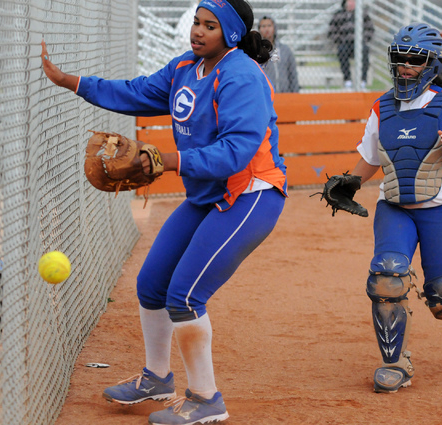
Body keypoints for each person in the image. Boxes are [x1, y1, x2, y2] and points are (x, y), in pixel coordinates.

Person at [41, 1, 287, 424]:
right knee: (152, 284)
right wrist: (70, 82)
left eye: (210, 26)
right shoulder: (184, 69)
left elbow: (235, 152)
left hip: (251, 193)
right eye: (196, 22)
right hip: (209, 193)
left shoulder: (241, 75)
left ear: (230, 35)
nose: (198, 31)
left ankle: (206, 399)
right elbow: (134, 92)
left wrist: (168, 160)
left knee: (186, 295)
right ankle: (157, 378)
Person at [347, 23, 442, 393]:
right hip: (394, 205)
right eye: (400, 59)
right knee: (386, 278)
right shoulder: (382, 106)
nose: (406, 66)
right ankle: (395, 363)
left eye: (415, 60)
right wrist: (349, 183)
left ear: (433, 64)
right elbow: (370, 158)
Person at [327, 0, 374, 89]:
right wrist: (340, 40)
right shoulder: (339, 15)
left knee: (365, 50)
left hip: (359, 43)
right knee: (341, 51)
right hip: (345, 43)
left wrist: (364, 39)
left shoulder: (362, 14)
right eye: (350, 1)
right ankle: (347, 80)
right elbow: (332, 31)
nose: (352, 3)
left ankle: (362, 80)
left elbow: (370, 29)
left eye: (354, 1)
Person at [258, 16, 299, 93]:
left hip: (284, 95)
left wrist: (295, 94)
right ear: (259, 29)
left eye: (269, 26)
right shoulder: (256, 52)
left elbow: (293, 75)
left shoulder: (285, 50)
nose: (266, 29)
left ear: (274, 28)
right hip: (265, 96)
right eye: (263, 26)